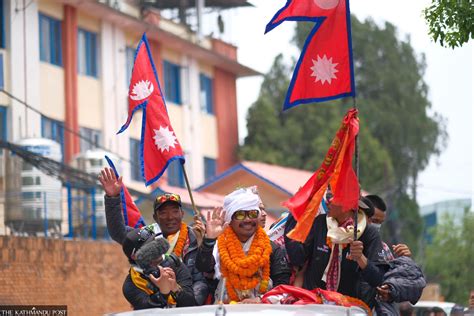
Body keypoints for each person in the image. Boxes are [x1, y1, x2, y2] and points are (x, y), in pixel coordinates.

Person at [98, 167, 209, 305]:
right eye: (163, 213)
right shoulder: (145, 236)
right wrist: (112, 198)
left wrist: (193, 304)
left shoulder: (197, 234)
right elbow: (118, 232)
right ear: (155, 217)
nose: (170, 217)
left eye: (175, 211)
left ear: (182, 214)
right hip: (153, 299)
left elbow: (202, 276)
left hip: (189, 298)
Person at [284, 197, 386, 308]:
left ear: (348, 206)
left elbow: (378, 279)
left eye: (336, 197)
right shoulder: (320, 222)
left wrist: (361, 258)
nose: (329, 200)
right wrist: (296, 211)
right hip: (312, 304)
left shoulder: (368, 233)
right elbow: (297, 257)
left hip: (347, 308)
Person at [195, 188, 291, 303]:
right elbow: (203, 267)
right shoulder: (219, 245)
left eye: (252, 214)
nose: (247, 219)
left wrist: (260, 300)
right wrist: (209, 240)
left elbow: (283, 287)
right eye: (240, 215)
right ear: (230, 219)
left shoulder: (271, 248)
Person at [123, 236, 196, 309]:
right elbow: (147, 311)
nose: (157, 251)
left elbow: (191, 305)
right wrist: (164, 292)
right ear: (134, 257)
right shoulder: (131, 285)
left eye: (156, 244)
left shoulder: (175, 265)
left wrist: (176, 289)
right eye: (149, 250)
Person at [365, 194, 412, 259]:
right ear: (361, 216)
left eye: (380, 223)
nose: (378, 226)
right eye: (374, 221)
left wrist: (404, 259)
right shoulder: (347, 243)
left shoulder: (383, 248)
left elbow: (391, 269)